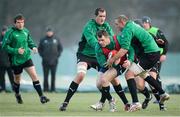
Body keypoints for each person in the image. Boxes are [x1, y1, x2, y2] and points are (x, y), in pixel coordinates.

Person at [59, 8, 121, 112]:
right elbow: (92, 41)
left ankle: (126, 103)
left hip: (99, 56)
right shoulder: (89, 26)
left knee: (112, 78)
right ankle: (65, 102)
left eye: (104, 16)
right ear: (95, 16)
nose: (102, 18)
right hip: (85, 55)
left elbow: (110, 40)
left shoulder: (106, 26)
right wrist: (103, 45)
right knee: (80, 75)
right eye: (100, 16)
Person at [106, 15, 170, 112]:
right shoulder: (133, 25)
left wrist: (112, 59)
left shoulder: (127, 29)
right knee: (143, 74)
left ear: (122, 22)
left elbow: (124, 49)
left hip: (149, 54)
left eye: (117, 24)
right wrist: (157, 41)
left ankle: (136, 103)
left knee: (129, 74)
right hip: (152, 53)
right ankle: (162, 93)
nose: (116, 26)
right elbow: (145, 35)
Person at [2, 14, 49, 104]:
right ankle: (17, 94)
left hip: (26, 58)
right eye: (18, 23)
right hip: (16, 61)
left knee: (34, 76)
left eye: (22, 22)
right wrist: (16, 50)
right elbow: (4, 46)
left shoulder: (26, 31)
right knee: (17, 80)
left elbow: (30, 41)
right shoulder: (10, 33)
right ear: (15, 23)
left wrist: (34, 47)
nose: (21, 24)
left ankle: (42, 96)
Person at [92, 30, 134, 111]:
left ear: (108, 38)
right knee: (98, 84)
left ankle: (107, 103)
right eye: (99, 40)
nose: (100, 42)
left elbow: (131, 49)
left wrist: (130, 60)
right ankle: (126, 103)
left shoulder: (118, 40)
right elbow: (102, 63)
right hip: (107, 64)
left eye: (102, 40)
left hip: (121, 64)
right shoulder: (98, 47)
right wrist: (113, 61)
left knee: (104, 79)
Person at [142, 16, 169, 111]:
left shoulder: (156, 31)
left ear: (149, 23)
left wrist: (164, 54)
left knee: (154, 79)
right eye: (143, 23)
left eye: (146, 22)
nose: (144, 24)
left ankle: (161, 102)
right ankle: (149, 96)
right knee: (144, 84)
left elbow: (165, 43)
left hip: (155, 57)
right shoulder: (141, 33)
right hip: (143, 60)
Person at [38, 27, 63, 92]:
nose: (49, 33)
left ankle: (53, 89)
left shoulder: (56, 39)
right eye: (48, 32)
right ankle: (46, 89)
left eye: (50, 31)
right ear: (46, 32)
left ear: (52, 32)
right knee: (45, 76)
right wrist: (43, 56)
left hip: (54, 61)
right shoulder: (43, 39)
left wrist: (57, 56)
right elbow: (39, 49)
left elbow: (60, 48)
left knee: (53, 76)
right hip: (45, 61)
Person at [0, 25, 14, 92]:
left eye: (6, 31)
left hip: (9, 63)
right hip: (1, 63)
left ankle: (14, 89)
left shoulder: (11, 40)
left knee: (12, 77)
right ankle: (3, 89)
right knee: (1, 77)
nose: (4, 32)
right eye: (3, 31)